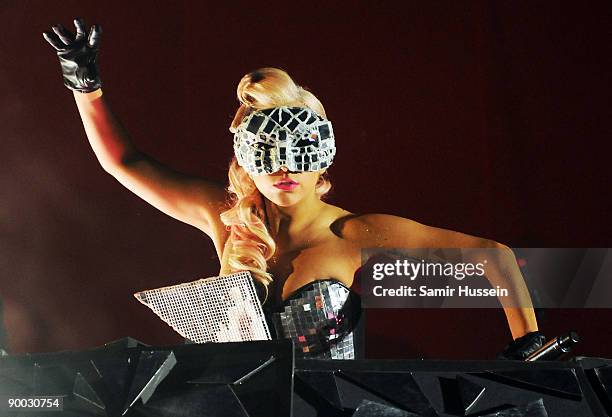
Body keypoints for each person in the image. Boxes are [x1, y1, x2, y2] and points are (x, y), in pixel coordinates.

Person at [43, 19, 544, 360]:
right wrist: (83, 83)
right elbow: (123, 162)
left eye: (298, 153)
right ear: (246, 158)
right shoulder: (225, 217)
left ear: (321, 154)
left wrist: (530, 344)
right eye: (269, 154)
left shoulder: (356, 234)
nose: (285, 169)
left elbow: (493, 257)